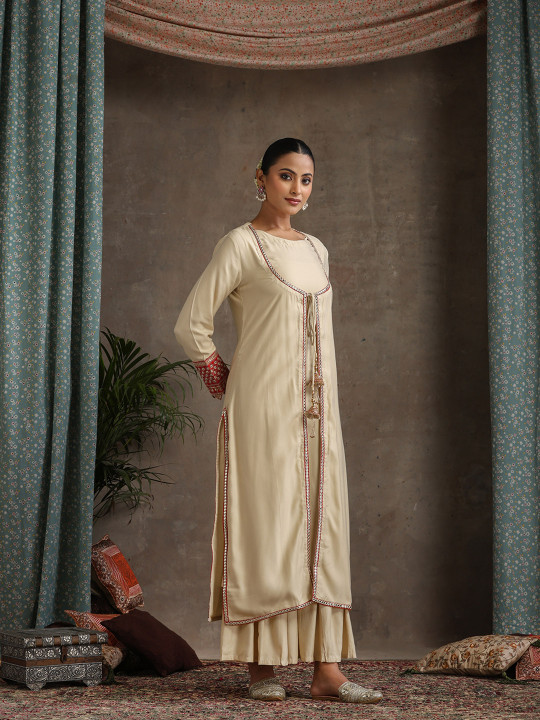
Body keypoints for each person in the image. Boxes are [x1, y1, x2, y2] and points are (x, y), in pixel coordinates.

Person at [174, 138, 382, 704]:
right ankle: (261, 667)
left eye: (306, 179)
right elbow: (191, 323)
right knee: (266, 527)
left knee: (322, 527)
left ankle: (326, 671)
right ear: (261, 178)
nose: (297, 188)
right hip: (262, 409)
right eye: (286, 175)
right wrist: (221, 377)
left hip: (319, 413)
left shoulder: (317, 249)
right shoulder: (239, 245)